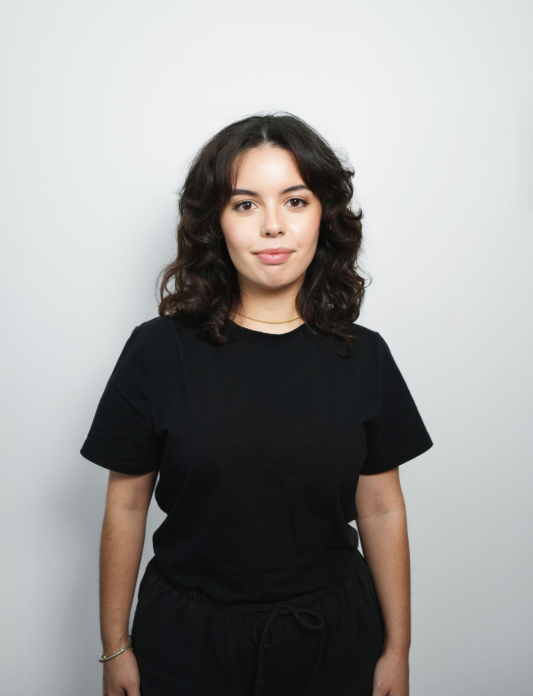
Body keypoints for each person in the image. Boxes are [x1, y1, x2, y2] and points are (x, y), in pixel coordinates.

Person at [80, 111, 434, 696]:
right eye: (245, 204)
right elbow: (125, 506)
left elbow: (382, 510)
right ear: (215, 222)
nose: (273, 226)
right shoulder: (156, 350)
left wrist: (398, 649)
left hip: (333, 638)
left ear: (324, 215)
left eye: (295, 201)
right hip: (187, 641)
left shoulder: (364, 357)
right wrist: (115, 646)